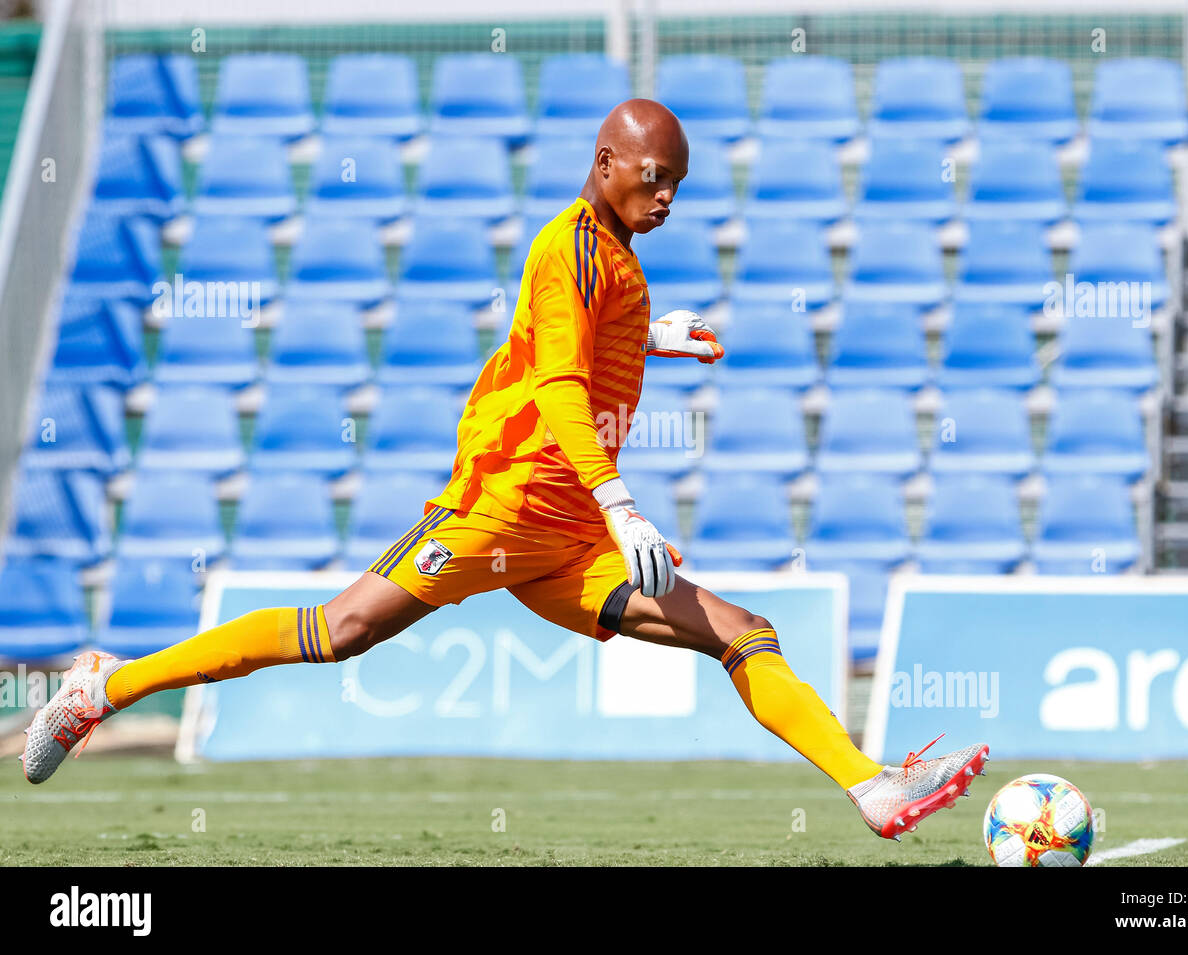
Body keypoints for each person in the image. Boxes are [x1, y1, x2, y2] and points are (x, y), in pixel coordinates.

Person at [22, 99, 988, 840]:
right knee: (339, 630)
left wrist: (649, 338)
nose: (666, 198)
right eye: (653, 178)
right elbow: (560, 390)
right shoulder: (562, 248)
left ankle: (869, 785)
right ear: (605, 165)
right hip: (502, 509)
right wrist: (624, 506)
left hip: (568, 542)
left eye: (678, 186)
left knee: (743, 631)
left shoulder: (618, 256)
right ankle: (104, 688)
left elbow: (558, 344)